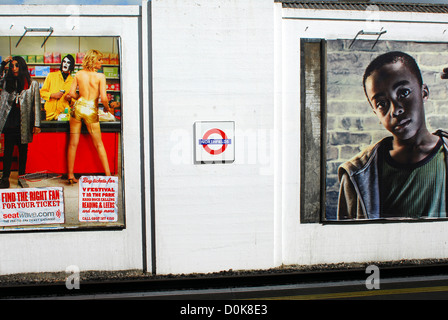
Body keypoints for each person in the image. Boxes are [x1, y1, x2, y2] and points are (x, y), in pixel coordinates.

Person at [337, 51, 448, 220]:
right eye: (382, 103)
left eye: (403, 93)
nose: (395, 110)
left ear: (424, 92)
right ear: (375, 112)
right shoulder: (355, 174)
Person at [66, 49, 111, 184]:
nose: (101, 62)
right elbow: (103, 98)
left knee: (73, 143)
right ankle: (108, 175)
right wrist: (108, 108)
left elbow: (71, 93)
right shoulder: (100, 77)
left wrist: (80, 97)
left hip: (78, 107)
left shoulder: (79, 74)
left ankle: (70, 175)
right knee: (98, 144)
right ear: (93, 60)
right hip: (91, 110)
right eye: (99, 60)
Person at [0, 56, 41, 188]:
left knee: (23, 151)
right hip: (10, 121)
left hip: (25, 122)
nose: (14, 68)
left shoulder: (32, 83)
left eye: (17, 65)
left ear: (22, 66)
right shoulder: (7, 81)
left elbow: (36, 104)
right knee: (8, 151)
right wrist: (3, 63)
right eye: (12, 66)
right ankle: (5, 178)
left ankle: (22, 177)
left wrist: (36, 124)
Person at [40, 55, 75, 120]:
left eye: (68, 62)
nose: (66, 64)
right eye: (64, 61)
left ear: (71, 65)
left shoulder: (73, 81)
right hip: (50, 113)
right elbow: (42, 92)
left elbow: (74, 100)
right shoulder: (51, 76)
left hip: (64, 114)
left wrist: (70, 99)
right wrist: (52, 95)